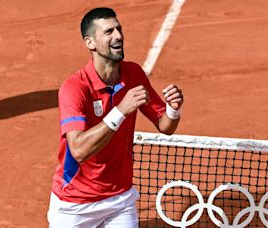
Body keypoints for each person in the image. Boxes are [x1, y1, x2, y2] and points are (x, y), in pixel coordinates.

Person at [47, 7, 184, 228]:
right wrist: (120, 111)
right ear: (90, 43)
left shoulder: (133, 74)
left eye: (119, 29)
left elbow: (165, 125)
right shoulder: (75, 88)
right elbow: (79, 150)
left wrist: (173, 109)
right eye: (108, 32)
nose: (118, 36)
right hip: (74, 204)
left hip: (119, 199)